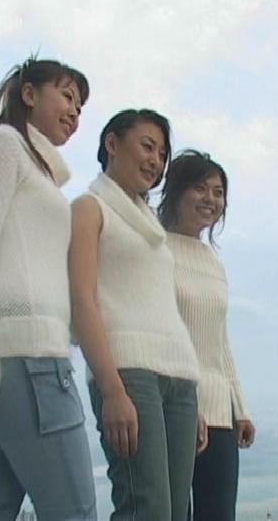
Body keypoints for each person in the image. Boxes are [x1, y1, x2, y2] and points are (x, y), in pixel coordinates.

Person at [0, 56, 97, 521]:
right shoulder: (4, 144)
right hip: (25, 359)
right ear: (28, 94)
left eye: (80, 106)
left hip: (11, 359)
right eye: (67, 96)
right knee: (75, 512)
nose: (75, 112)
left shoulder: (39, 174)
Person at [68, 109, 202, 521]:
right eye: (147, 146)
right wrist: (112, 390)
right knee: (147, 510)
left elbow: (163, 308)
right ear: (112, 143)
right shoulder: (89, 208)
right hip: (129, 374)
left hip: (179, 378)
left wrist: (192, 393)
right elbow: (81, 301)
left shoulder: (154, 231)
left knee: (177, 513)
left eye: (162, 153)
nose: (156, 161)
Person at [158, 149, 256, 521]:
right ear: (176, 191)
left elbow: (219, 340)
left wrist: (240, 408)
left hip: (220, 413)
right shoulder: (156, 249)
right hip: (175, 406)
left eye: (218, 192)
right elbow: (161, 332)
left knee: (219, 514)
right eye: (200, 188)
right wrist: (188, 403)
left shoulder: (214, 262)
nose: (210, 199)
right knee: (172, 513)